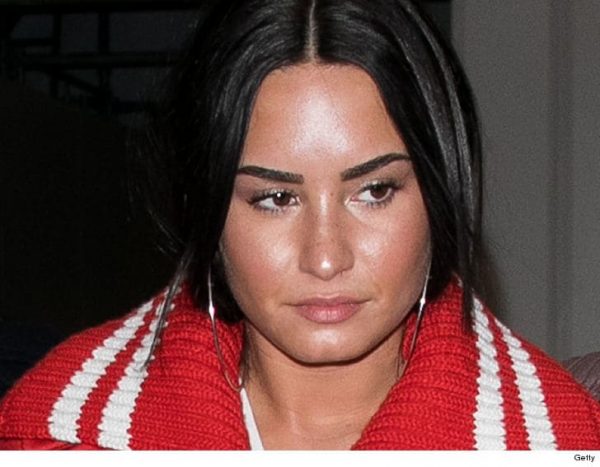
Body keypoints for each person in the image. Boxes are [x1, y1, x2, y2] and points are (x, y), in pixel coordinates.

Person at [1, 0, 599, 450]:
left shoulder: (565, 440)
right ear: (206, 208)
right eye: (276, 198)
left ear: (441, 193)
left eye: (374, 191)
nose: (325, 257)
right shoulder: (49, 435)